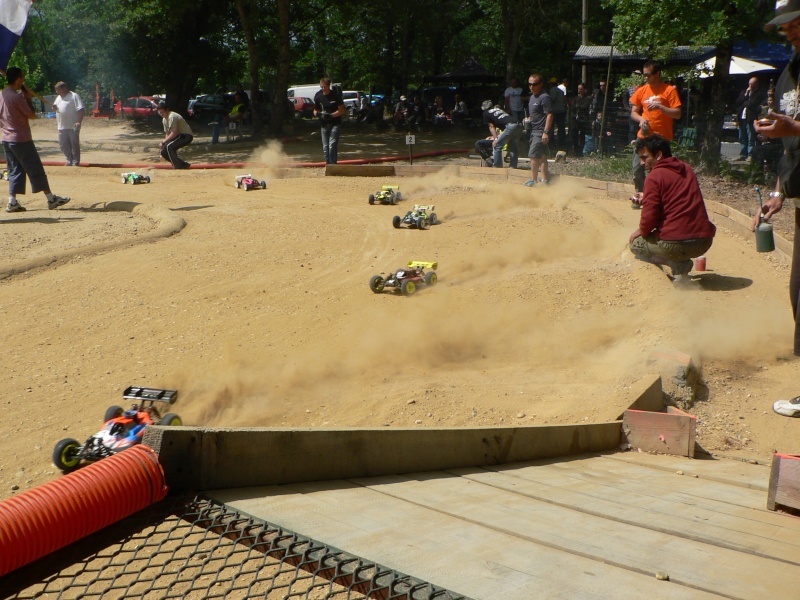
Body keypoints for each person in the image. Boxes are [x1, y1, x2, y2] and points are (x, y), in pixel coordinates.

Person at [754, 0, 800, 359]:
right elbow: (791, 145)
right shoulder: (789, 72)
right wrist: (778, 192)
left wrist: (794, 127)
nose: (790, 31)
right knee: (797, 295)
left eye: (796, 22)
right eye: (786, 26)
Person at [628, 135, 715, 284]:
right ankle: (680, 263)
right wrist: (648, 197)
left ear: (659, 155)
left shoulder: (654, 176)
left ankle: (677, 264)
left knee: (635, 244)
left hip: (676, 244)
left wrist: (641, 232)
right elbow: (676, 197)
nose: (642, 163)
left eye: (645, 157)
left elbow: (650, 218)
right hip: (704, 242)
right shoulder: (686, 168)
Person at [0, 67, 70, 212]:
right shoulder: (16, 97)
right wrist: (28, 99)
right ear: (18, 79)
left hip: (6, 139)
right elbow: (31, 115)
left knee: (14, 170)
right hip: (21, 139)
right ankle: (51, 199)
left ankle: (12, 202)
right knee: (35, 168)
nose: (23, 80)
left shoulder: (2, 95)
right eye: (22, 77)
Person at [630, 60, 682, 204]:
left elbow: (677, 113)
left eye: (648, 75)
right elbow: (633, 112)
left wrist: (661, 108)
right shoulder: (641, 90)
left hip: (661, 139)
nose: (646, 78)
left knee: (660, 172)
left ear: (657, 73)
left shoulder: (669, 90)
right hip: (644, 136)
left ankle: (657, 200)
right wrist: (640, 120)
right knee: (637, 169)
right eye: (644, 75)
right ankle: (640, 196)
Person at [524, 74, 553, 186]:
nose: (531, 86)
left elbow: (550, 114)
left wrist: (546, 132)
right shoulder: (532, 97)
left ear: (541, 84)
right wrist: (528, 119)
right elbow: (536, 114)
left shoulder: (544, 97)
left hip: (540, 131)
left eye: (534, 84)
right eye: (530, 84)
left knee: (533, 155)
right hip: (533, 130)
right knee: (541, 156)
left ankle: (534, 181)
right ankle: (545, 181)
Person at [481, 100, 523, 169]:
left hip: (510, 126)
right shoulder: (498, 110)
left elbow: (491, 126)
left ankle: (497, 167)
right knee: (513, 146)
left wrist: (495, 138)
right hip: (519, 125)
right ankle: (513, 167)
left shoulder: (486, 113)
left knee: (497, 145)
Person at [313, 77, 345, 164]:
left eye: (325, 87)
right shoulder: (318, 96)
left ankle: (333, 164)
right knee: (325, 147)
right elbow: (315, 110)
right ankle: (328, 164)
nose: (323, 88)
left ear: (328, 86)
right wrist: (318, 114)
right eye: (321, 87)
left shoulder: (335, 96)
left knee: (332, 144)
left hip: (335, 123)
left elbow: (342, 110)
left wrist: (331, 115)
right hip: (324, 124)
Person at [733, 77, 767, 161]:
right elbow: (738, 102)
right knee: (742, 137)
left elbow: (751, 104)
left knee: (750, 137)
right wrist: (746, 95)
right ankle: (742, 154)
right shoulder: (744, 92)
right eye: (749, 84)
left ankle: (751, 154)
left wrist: (744, 102)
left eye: (752, 84)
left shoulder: (759, 94)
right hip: (742, 118)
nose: (750, 86)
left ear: (756, 84)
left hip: (751, 118)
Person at [52, 81, 84, 166]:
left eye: (58, 90)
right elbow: (56, 109)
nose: (57, 92)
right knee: (63, 145)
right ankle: (69, 160)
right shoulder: (58, 98)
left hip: (72, 126)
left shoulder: (74, 96)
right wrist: (54, 108)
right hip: (61, 126)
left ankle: (75, 162)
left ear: (64, 88)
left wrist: (78, 121)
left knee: (74, 145)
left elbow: (80, 109)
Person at [156, 101, 193, 169]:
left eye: (162, 112)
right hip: (179, 136)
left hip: (186, 136)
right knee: (164, 152)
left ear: (167, 110)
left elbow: (174, 132)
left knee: (169, 147)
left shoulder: (172, 116)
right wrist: (164, 145)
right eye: (159, 112)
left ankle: (178, 166)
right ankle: (183, 165)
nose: (161, 114)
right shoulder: (164, 120)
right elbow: (167, 134)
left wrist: (163, 142)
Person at [572, 82, 592, 156]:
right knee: (575, 135)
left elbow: (585, 106)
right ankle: (575, 150)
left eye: (581, 89)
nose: (579, 90)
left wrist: (578, 106)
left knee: (583, 135)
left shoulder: (588, 98)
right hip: (575, 119)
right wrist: (579, 107)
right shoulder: (575, 98)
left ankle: (581, 151)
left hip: (584, 119)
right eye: (578, 89)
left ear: (585, 90)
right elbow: (573, 107)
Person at [548, 77, 567, 151]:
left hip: (555, 111)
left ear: (552, 84)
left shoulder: (552, 90)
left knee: (551, 127)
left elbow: (552, 99)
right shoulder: (561, 91)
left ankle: (551, 142)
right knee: (561, 128)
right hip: (561, 111)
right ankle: (562, 143)